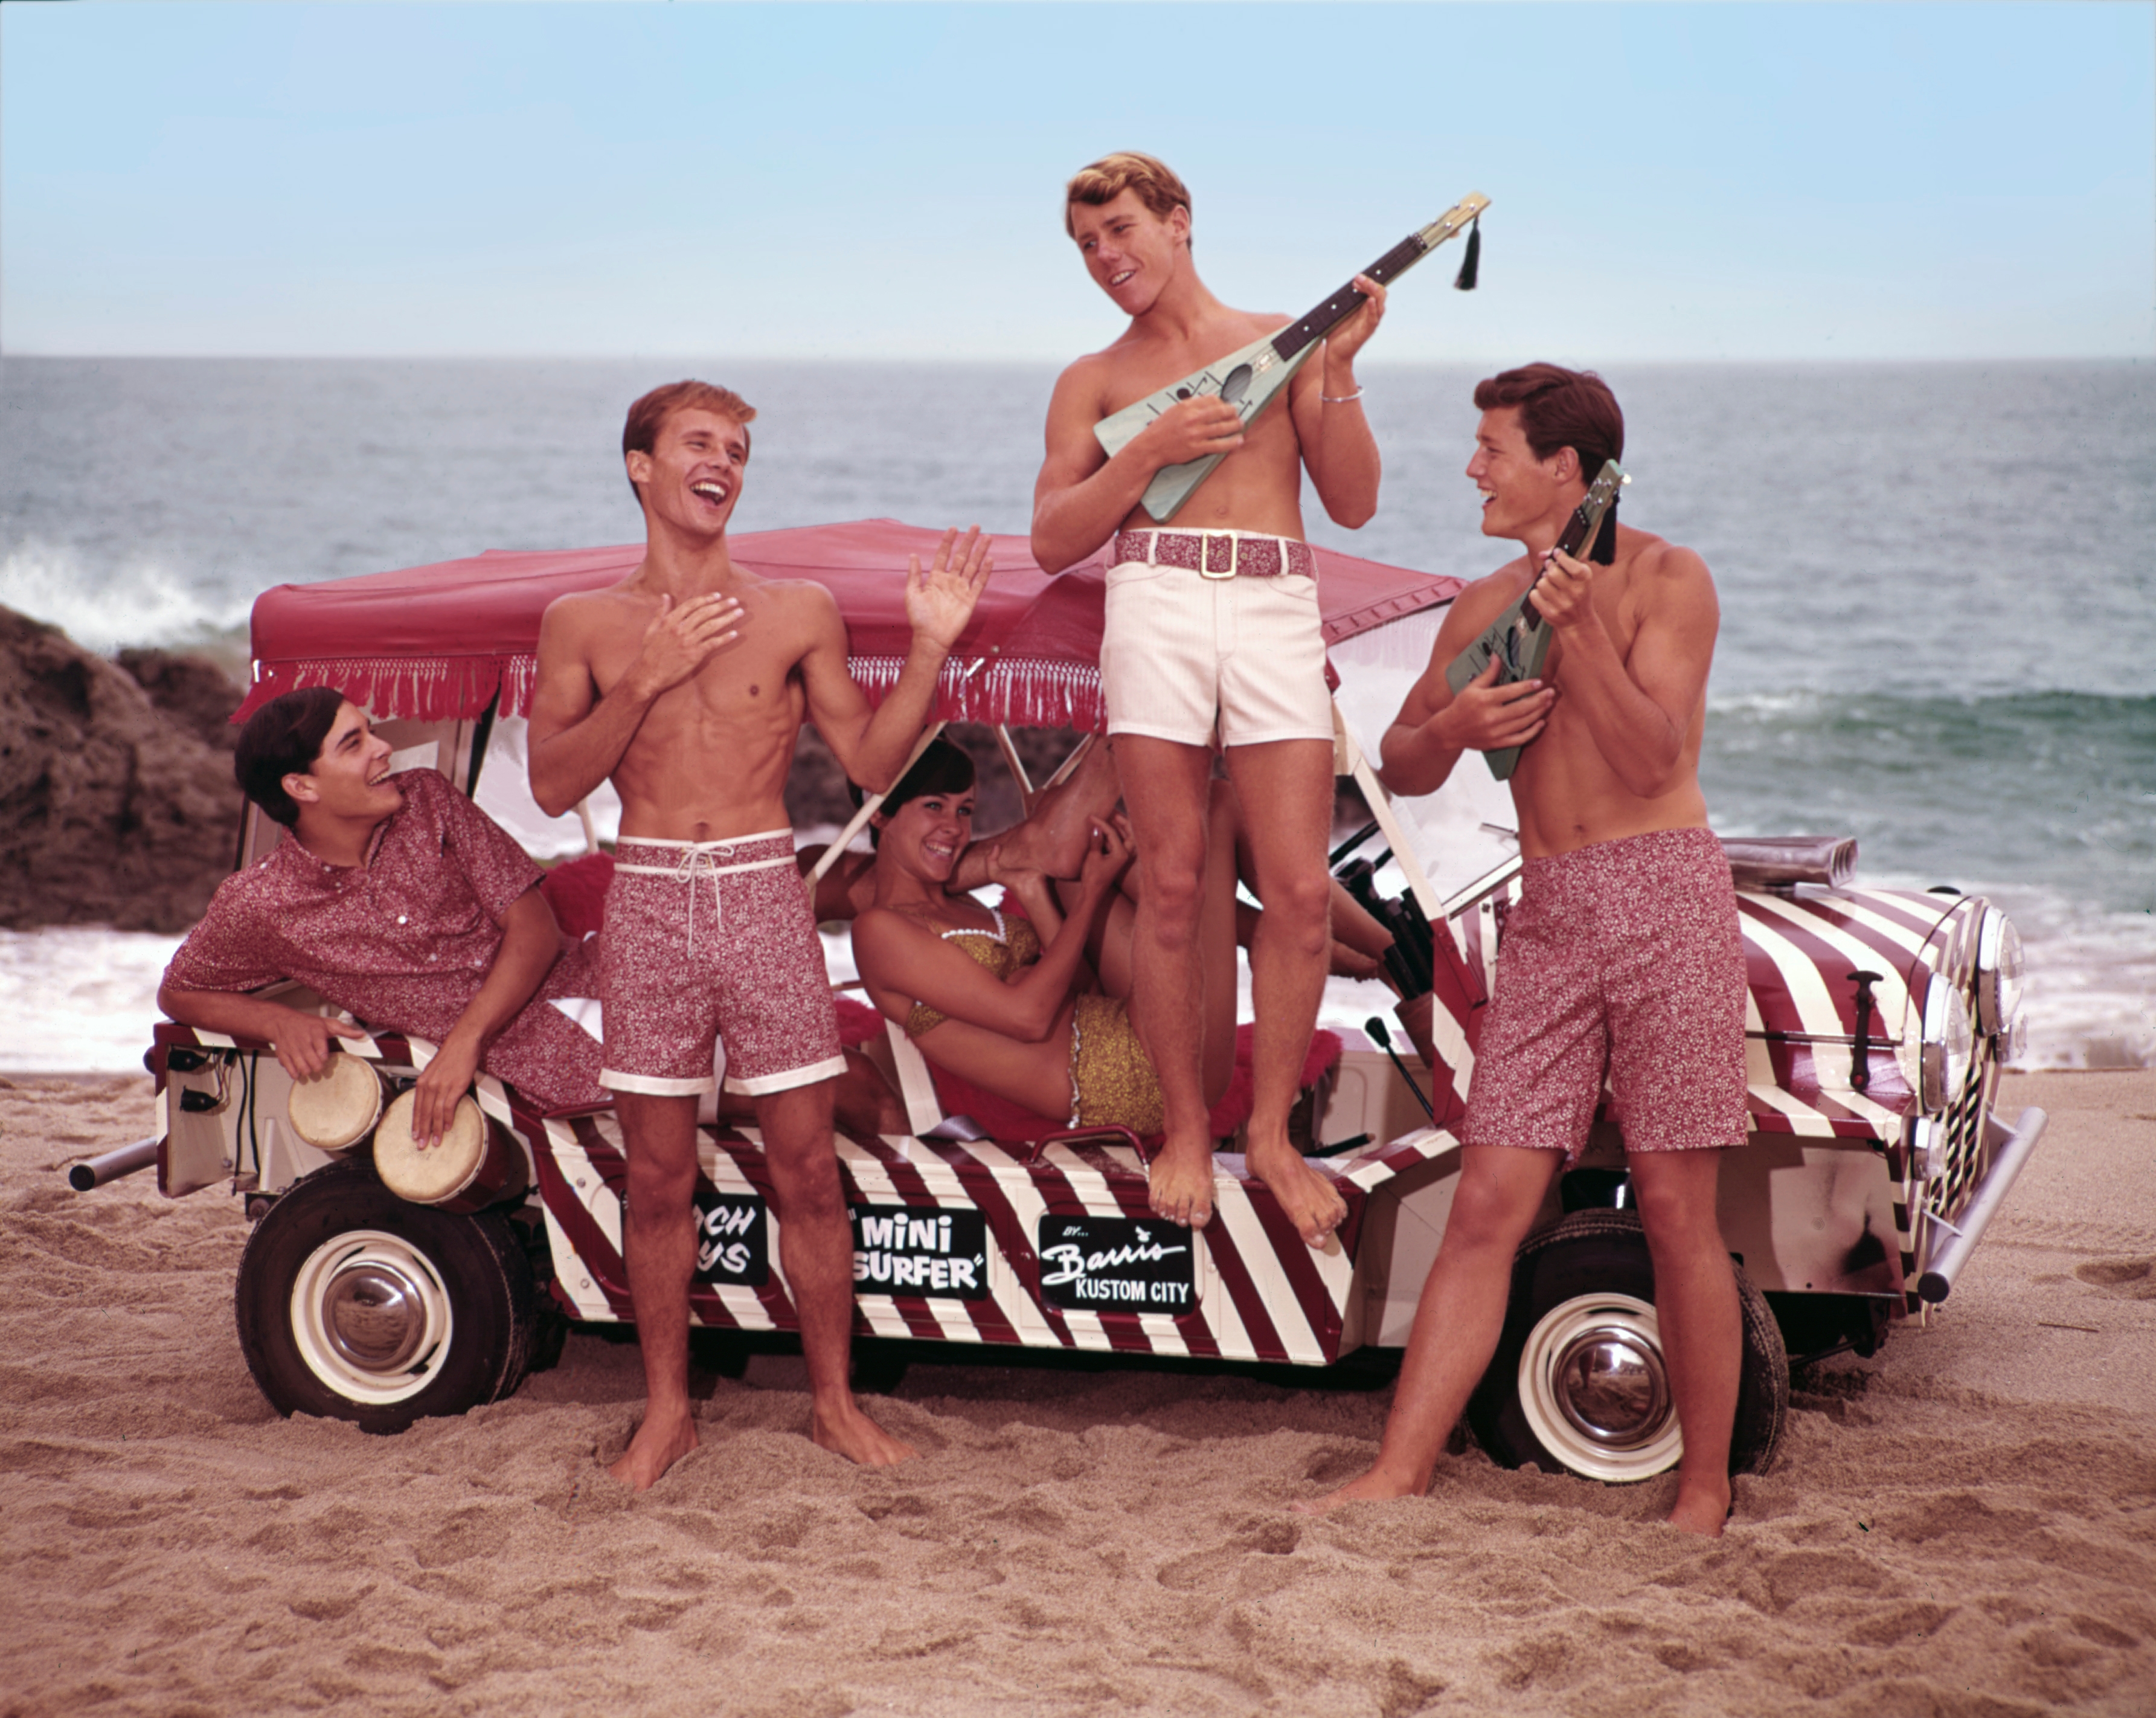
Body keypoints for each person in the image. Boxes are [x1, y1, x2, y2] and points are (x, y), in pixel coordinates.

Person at [1308, 364, 1750, 1536]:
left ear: (1566, 467)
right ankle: (1400, 1468)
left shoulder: (1668, 579)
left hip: (1666, 894)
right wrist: (1451, 726)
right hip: (1546, 906)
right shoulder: (1485, 602)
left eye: (1490, 448)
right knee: (1490, 1201)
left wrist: (1581, 630)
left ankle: (1703, 1488)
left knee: (1672, 1206)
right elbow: (1398, 762)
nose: (1471, 468)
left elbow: (1656, 758)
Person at [526, 379, 991, 1489]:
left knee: (809, 1170)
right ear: (641, 465)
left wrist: (929, 647)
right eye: (699, 442)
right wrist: (647, 673)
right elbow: (551, 783)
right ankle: (669, 1412)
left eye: (737, 449)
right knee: (656, 1177)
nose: (723, 462)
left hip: (761, 891)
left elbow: (876, 766)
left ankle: (831, 1403)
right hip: (646, 897)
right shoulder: (580, 624)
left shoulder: (798, 609)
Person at [1031, 150, 1391, 1247]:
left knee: (1293, 886)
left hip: (1276, 594)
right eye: (1089, 245)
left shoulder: (1280, 339)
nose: (1107, 258)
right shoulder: (1091, 379)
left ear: (1180, 222)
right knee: (1175, 883)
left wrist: (1336, 369)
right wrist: (1146, 449)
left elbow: (1357, 503)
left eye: (1124, 231)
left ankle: (1273, 1135)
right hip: (1153, 603)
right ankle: (1187, 1127)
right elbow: (1054, 538)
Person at [159, 688, 607, 1137]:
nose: (384, 749)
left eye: (370, 732)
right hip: (542, 1053)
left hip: (593, 977)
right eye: (354, 744)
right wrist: (279, 1022)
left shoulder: (429, 800)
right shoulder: (259, 903)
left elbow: (535, 930)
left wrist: (463, 1042)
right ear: (301, 786)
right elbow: (180, 992)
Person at [849, 739, 1242, 1138]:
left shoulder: (967, 905)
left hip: (1136, 1032)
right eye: (934, 806)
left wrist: (1035, 892)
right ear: (880, 814)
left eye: (964, 810)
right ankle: (1267, 932)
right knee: (1215, 806)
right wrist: (1090, 895)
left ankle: (1265, 928)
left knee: (1072, 853)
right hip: (1136, 1077)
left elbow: (1084, 990)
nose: (954, 827)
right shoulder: (879, 931)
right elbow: (1029, 1019)